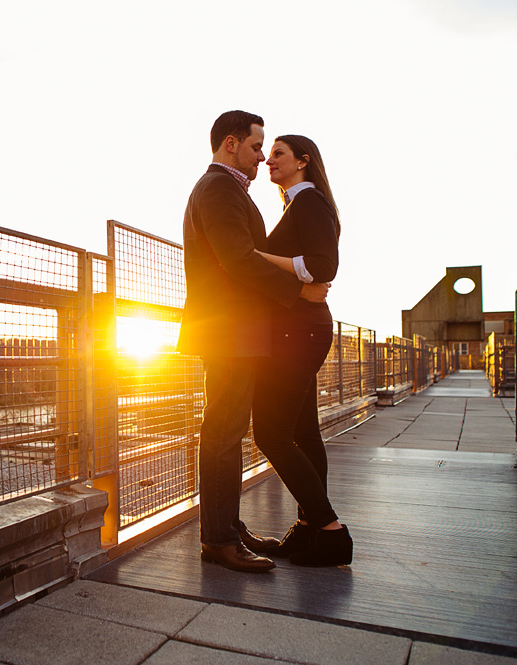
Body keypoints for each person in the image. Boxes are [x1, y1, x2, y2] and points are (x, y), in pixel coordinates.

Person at [178, 111, 329, 573]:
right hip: (228, 330)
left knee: (228, 432)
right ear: (230, 144)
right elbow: (238, 259)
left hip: (234, 329)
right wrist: (299, 291)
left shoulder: (224, 190)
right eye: (256, 146)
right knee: (223, 432)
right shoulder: (220, 189)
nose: (262, 156)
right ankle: (219, 541)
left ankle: (227, 528)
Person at [250, 134, 352, 567]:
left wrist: (257, 256)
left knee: (270, 433)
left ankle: (331, 531)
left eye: (278, 154)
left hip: (298, 333)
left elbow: (322, 267)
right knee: (304, 432)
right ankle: (311, 528)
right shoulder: (299, 205)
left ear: (303, 162)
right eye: (268, 153)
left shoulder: (310, 203)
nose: (269, 160)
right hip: (299, 329)